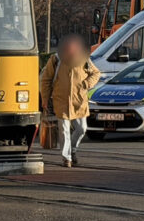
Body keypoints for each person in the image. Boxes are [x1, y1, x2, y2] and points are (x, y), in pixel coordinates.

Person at [40, 34, 101, 167]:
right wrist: (45, 99)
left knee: (82, 129)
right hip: (60, 100)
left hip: (79, 101)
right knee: (64, 130)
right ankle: (66, 157)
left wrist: (86, 84)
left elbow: (96, 73)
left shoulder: (84, 59)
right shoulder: (55, 60)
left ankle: (72, 150)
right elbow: (46, 80)